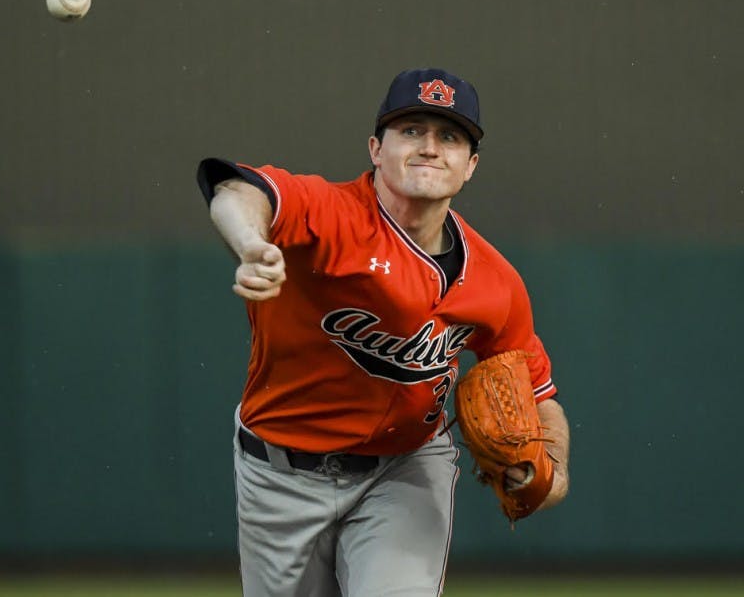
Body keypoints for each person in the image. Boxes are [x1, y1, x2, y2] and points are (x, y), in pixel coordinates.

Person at [196, 68, 570, 597]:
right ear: (376, 148)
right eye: (411, 130)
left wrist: (552, 475)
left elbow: (539, 393)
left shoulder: (496, 281)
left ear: (470, 166)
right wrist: (250, 242)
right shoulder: (329, 214)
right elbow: (238, 190)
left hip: (405, 470)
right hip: (280, 470)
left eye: (450, 136)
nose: (429, 147)